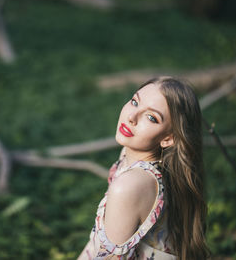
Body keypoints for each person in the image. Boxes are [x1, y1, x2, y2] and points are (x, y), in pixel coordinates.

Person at [77, 77, 209, 260]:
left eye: (151, 117)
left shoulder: (130, 185)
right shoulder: (135, 159)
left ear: (168, 138)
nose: (131, 117)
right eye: (134, 102)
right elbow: (95, 247)